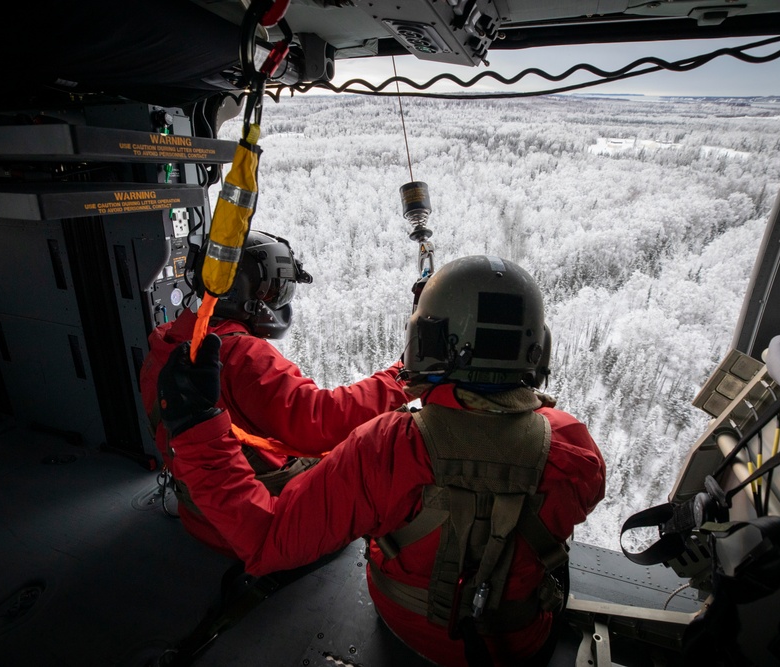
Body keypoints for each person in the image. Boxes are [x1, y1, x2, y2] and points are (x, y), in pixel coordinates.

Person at [157, 254, 607, 666]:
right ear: (539, 350)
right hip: (520, 641)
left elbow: (265, 542)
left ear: (422, 341)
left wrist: (199, 431)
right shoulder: (574, 447)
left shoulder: (385, 448)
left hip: (407, 627)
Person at [140, 230, 409, 557]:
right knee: (378, 454)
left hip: (200, 515)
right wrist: (400, 377)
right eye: (274, 291)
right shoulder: (245, 357)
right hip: (256, 521)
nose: (277, 302)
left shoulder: (163, 344)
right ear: (242, 291)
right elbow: (322, 422)